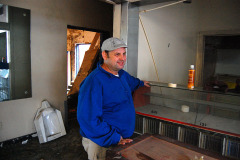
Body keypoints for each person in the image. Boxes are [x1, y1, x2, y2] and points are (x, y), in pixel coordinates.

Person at [77, 37, 150, 160]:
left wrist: (142, 83)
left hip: (120, 138)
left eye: (124, 53)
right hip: (102, 142)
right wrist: (114, 138)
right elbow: (88, 120)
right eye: (117, 54)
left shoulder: (121, 74)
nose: (122, 58)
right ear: (104, 55)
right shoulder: (94, 82)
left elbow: (132, 82)